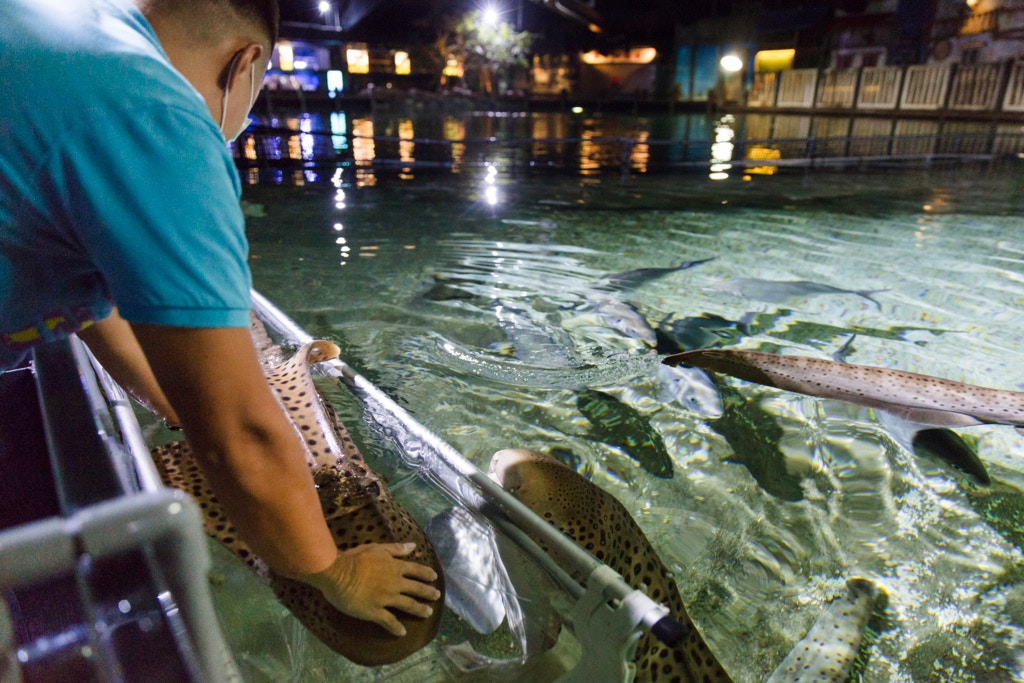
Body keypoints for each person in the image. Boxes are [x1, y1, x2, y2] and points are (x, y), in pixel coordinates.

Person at [0, 0, 439, 639]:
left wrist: (178, 402)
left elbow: (93, 304)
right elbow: (237, 433)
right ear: (244, 64)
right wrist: (333, 573)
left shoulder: (54, 26)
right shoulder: (156, 115)